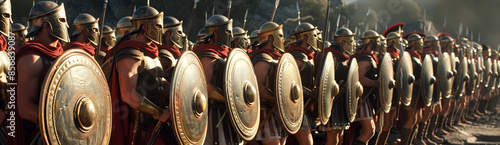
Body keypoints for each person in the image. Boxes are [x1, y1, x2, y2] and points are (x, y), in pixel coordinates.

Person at [107, 6, 174, 145]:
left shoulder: (153, 55)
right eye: (157, 25)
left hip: (159, 125)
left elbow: (159, 84)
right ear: (144, 27)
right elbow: (128, 94)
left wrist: (178, 95)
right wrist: (159, 113)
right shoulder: (130, 54)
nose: (160, 30)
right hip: (140, 129)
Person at [14, 1, 68, 144]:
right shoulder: (31, 59)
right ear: (46, 24)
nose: (66, 25)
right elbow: (25, 108)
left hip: (64, 134)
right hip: (39, 136)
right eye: (62, 20)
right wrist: (61, 119)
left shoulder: (63, 55)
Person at [192, 14, 243, 145]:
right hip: (212, 113)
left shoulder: (227, 54)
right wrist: (229, 100)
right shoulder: (207, 55)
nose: (230, 36)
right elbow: (203, 87)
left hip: (229, 113)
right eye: (227, 32)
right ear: (216, 33)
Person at [251, 21, 288, 145]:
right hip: (264, 110)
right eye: (280, 36)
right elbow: (258, 87)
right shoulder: (262, 58)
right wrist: (276, 98)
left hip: (277, 110)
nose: (282, 39)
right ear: (271, 38)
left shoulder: (275, 57)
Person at [318, 27, 356, 145]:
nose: (352, 44)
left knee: (340, 135)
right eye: (350, 41)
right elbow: (325, 80)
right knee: (333, 135)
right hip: (332, 100)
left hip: (342, 100)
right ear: (343, 42)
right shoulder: (332, 57)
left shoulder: (343, 57)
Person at [286, 22, 320, 145]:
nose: (315, 39)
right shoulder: (297, 56)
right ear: (306, 37)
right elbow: (289, 83)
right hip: (295, 106)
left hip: (304, 105)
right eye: (313, 36)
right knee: (307, 142)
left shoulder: (307, 56)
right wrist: (310, 92)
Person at [352, 30, 379, 145]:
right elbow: (359, 79)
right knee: (369, 130)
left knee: (367, 130)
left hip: (367, 97)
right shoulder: (364, 58)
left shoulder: (369, 57)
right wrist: (375, 83)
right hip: (362, 98)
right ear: (371, 42)